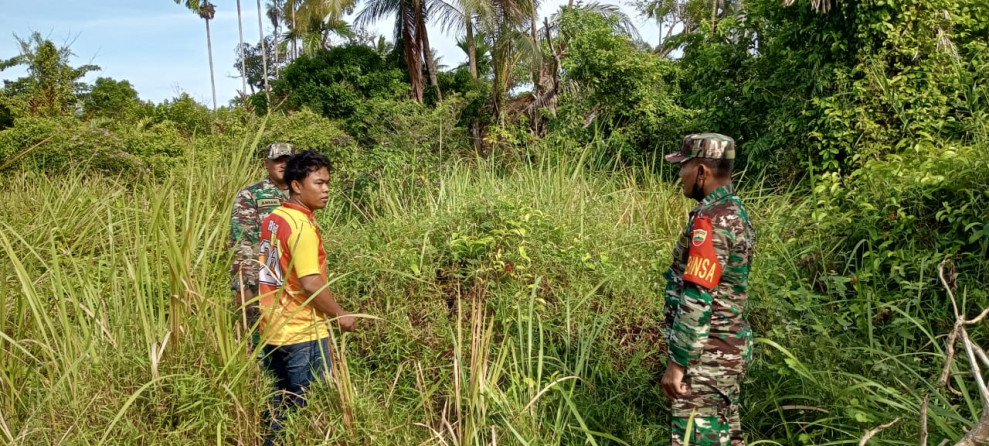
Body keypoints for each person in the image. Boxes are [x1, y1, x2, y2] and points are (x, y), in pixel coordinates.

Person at [660, 133, 755, 446]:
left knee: (697, 437)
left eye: (684, 166)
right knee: (723, 436)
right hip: (728, 351)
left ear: (702, 171)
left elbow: (697, 298)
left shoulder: (710, 221)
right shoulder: (736, 211)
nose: (680, 174)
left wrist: (678, 364)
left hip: (706, 359)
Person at [257, 150, 356, 445]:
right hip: (303, 332)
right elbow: (311, 284)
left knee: (278, 413)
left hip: (271, 330)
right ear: (297, 185)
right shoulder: (301, 226)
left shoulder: (274, 218)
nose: (326, 189)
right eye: (319, 183)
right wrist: (340, 314)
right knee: (308, 416)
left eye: (327, 183)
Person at [230, 142, 296, 339]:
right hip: (265, 281)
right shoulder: (251, 194)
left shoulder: (303, 193)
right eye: (278, 160)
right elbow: (242, 241)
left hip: (298, 279)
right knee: (262, 338)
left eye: (289, 160)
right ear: (266, 163)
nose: (283, 164)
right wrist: (244, 285)